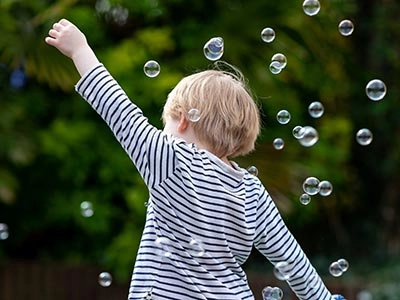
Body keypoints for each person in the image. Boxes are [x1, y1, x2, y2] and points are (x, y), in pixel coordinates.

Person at [45, 19, 345, 300]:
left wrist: (81, 50)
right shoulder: (253, 191)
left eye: (167, 124)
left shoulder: (171, 161)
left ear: (184, 120)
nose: (163, 133)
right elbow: (290, 258)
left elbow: (118, 110)